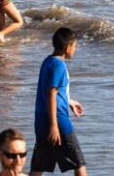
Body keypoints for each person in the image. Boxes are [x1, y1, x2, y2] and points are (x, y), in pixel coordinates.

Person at [30, 27, 86, 176]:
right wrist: (54, 126)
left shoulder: (47, 61)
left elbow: (52, 91)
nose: (75, 50)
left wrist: (70, 101)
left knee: (38, 167)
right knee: (79, 163)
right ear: (67, 48)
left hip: (41, 121)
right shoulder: (59, 66)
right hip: (58, 121)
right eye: (74, 46)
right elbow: (51, 93)